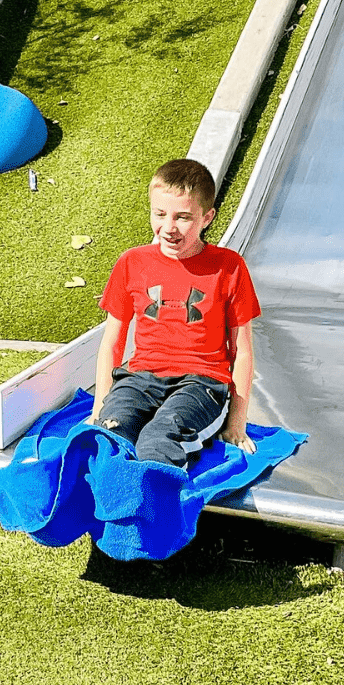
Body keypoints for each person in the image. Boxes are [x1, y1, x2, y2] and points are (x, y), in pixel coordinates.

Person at [90, 158, 260, 469]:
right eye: (160, 214)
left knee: (158, 439)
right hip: (140, 377)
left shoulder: (229, 267)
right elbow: (111, 343)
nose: (168, 228)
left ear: (207, 217)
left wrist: (237, 421)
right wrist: (101, 406)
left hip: (202, 383)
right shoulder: (132, 263)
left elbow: (243, 352)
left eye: (183, 217)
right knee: (109, 436)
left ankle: (153, 513)